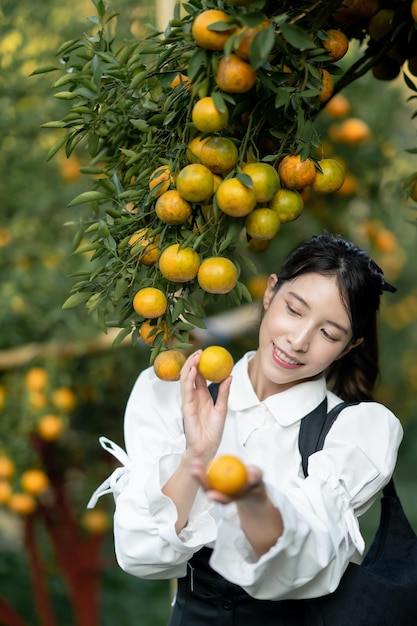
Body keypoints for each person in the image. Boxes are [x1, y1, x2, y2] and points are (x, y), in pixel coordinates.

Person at [88, 232, 403, 625]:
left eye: (328, 333)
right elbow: (142, 553)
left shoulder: (354, 433)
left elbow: (304, 562)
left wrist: (256, 503)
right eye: (294, 309)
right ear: (270, 292)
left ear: (349, 346)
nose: (298, 340)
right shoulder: (178, 393)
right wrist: (196, 455)